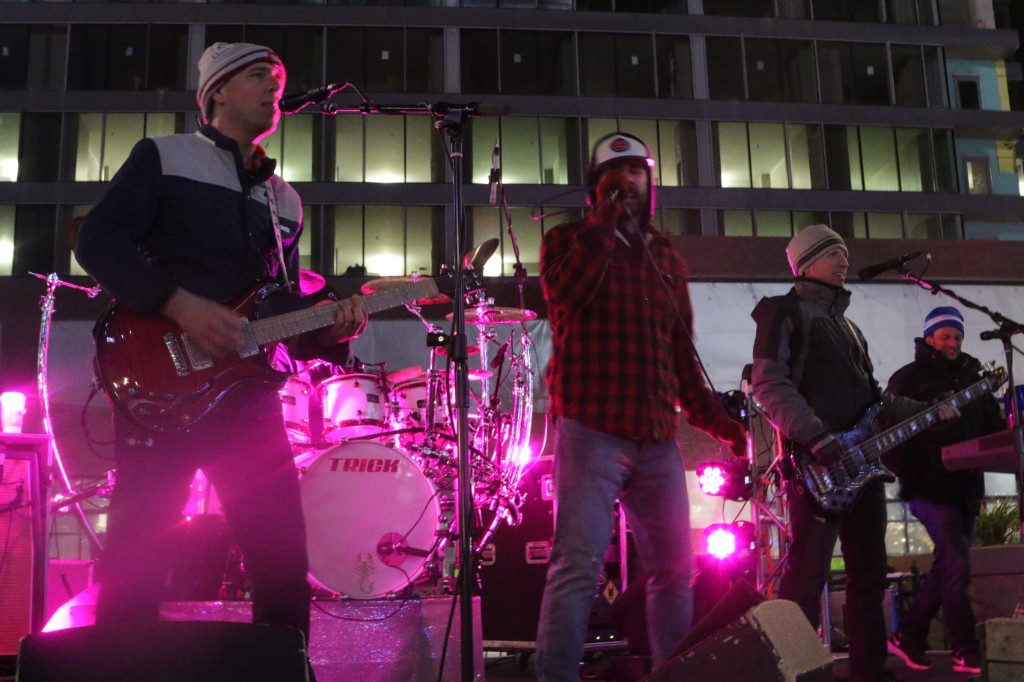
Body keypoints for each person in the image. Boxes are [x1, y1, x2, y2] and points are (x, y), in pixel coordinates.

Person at [75, 41, 366, 654]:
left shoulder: (284, 200)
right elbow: (99, 240)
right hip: (160, 383)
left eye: (279, 78)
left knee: (283, 561)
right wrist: (179, 304)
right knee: (138, 557)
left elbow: (276, 310)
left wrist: (330, 332)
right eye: (260, 75)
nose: (275, 87)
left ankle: (285, 669)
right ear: (218, 93)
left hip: (248, 402)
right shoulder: (164, 156)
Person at [535, 132, 748, 681]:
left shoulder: (666, 256)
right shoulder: (567, 240)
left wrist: (721, 426)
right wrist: (606, 224)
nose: (629, 184)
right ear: (595, 190)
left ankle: (670, 674)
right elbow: (566, 296)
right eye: (615, 178)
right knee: (577, 567)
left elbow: (680, 355)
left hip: (657, 437)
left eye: (637, 176)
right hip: (592, 427)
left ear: (651, 185)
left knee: (675, 572)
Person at [750, 225, 958, 682]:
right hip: (816, 468)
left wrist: (928, 411)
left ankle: (869, 669)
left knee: (870, 576)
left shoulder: (849, 327)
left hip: (861, 468)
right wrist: (819, 440)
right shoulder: (783, 312)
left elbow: (875, 401)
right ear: (805, 263)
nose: (844, 261)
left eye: (845, 253)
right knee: (807, 579)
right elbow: (768, 383)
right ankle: (789, 672)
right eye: (832, 254)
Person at [884, 306, 1004, 675]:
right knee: (955, 564)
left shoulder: (976, 379)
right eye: (945, 336)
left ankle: (908, 637)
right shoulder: (908, 378)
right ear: (929, 337)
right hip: (927, 486)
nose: (952, 343)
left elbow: (992, 430)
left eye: (957, 336)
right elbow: (887, 427)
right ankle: (965, 651)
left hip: (966, 487)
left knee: (949, 566)